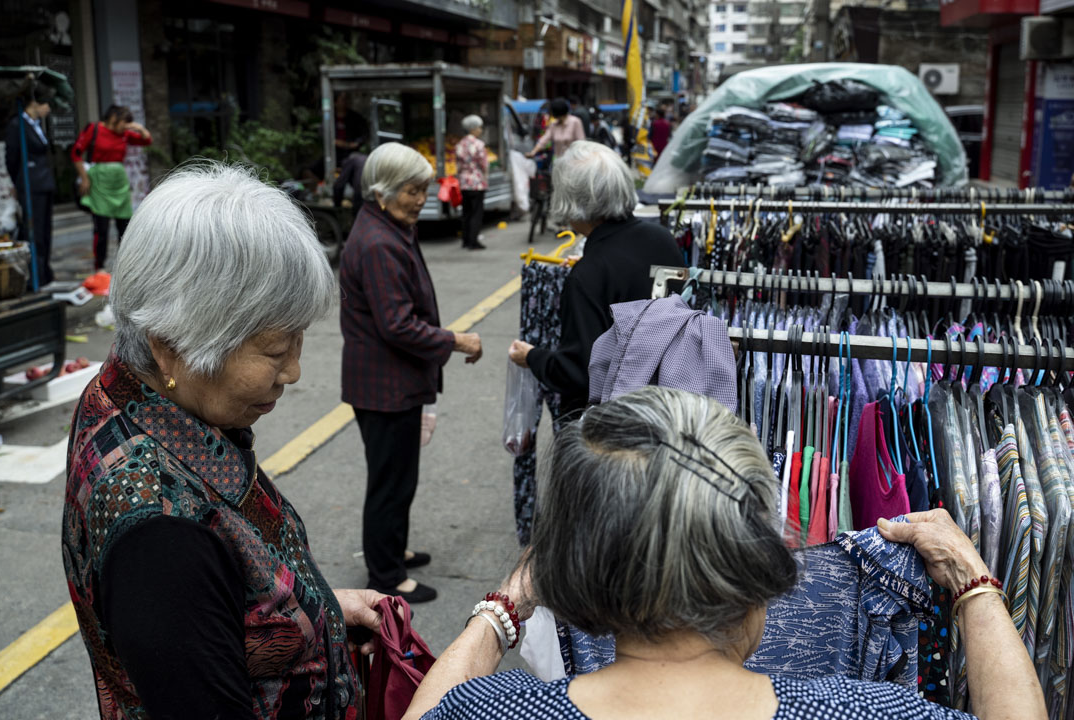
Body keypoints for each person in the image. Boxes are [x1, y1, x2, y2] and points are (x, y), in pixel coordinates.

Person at [403, 386, 1048, 720]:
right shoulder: (855, 711)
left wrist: (504, 606)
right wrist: (972, 581)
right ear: (756, 562)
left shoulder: (504, 710)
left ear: (575, 568)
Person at [62, 162, 387, 719]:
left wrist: (319, 612)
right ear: (171, 345)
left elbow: (229, 611)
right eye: (275, 350)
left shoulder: (128, 391)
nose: (294, 373)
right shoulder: (161, 536)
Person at [339, 143, 484, 603]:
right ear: (382, 193)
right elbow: (397, 324)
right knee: (391, 480)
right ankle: (385, 575)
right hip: (385, 385)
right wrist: (455, 340)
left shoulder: (386, 225)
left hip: (387, 381)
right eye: (412, 190)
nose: (422, 198)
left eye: (424, 189)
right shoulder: (380, 242)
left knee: (397, 475)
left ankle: (392, 550)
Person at [508, 140, 683, 418]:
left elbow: (578, 372)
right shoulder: (662, 239)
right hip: (670, 404)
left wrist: (531, 357)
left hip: (613, 425)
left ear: (573, 201)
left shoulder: (588, 275)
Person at [71, 105, 151, 271]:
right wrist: (84, 178)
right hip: (100, 181)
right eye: (124, 122)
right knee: (101, 227)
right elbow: (76, 153)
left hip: (118, 181)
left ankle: (127, 264)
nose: (126, 127)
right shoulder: (94, 129)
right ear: (114, 118)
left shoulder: (124, 134)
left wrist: (138, 128)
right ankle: (99, 266)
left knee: (125, 224)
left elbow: (146, 140)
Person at [4, 84, 55, 285]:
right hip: (31, 183)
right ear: (35, 103)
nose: (48, 109)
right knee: (35, 231)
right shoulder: (18, 125)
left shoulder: (36, 124)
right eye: (46, 104)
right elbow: (12, 158)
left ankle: (44, 271)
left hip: (44, 182)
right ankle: (37, 274)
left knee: (45, 230)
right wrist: (17, 181)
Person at [455, 114, 489, 251]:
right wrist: (485, 177)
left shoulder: (459, 145)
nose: (480, 130)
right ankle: (474, 241)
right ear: (473, 129)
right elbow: (484, 164)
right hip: (477, 183)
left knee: (466, 212)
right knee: (476, 212)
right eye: (479, 127)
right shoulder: (479, 145)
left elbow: (457, 166)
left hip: (464, 182)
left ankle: (466, 240)